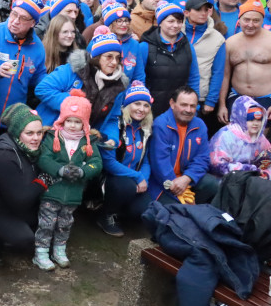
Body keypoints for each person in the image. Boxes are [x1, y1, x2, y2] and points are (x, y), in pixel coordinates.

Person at [0, 103, 47, 266]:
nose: (36, 138)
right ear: (17, 133)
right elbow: (20, 199)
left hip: (12, 207)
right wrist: (42, 182)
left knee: (50, 220)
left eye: (39, 133)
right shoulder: (4, 157)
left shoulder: (31, 150)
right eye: (29, 133)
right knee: (24, 239)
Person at [33, 91, 102, 270]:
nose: (72, 125)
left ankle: (59, 250)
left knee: (65, 223)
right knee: (47, 223)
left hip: (73, 193)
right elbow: (43, 159)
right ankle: (40, 252)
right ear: (62, 120)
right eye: (69, 120)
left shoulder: (89, 141)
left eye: (77, 121)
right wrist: (59, 169)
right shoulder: (52, 137)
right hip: (51, 191)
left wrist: (82, 171)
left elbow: (97, 163)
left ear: (84, 123)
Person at [0, 0, 46, 139]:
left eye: (23, 18)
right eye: (14, 14)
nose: (16, 21)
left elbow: (39, 78)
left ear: (32, 23)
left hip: (13, 125)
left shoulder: (38, 47)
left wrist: (54, 84)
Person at [99, 82, 155, 236]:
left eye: (146, 105)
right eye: (136, 103)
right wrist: (137, 177)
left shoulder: (146, 129)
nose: (141, 109)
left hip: (132, 179)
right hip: (111, 178)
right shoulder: (115, 125)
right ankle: (105, 215)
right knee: (125, 187)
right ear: (127, 104)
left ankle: (119, 211)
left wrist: (143, 179)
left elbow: (146, 161)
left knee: (145, 209)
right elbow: (108, 163)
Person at [149, 87, 219, 205]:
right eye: (184, 105)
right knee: (177, 211)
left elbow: (203, 158)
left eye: (192, 106)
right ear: (172, 103)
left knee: (212, 184)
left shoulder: (199, 124)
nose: (188, 110)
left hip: (186, 178)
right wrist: (179, 189)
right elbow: (160, 164)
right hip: (162, 183)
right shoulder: (161, 125)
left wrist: (187, 178)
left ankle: (194, 208)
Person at [142, 2, 200, 117]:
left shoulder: (188, 47)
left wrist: (194, 105)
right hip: (152, 108)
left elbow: (194, 78)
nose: (175, 25)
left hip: (180, 108)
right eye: (171, 21)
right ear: (160, 23)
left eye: (179, 22)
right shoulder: (145, 47)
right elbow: (140, 79)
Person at [218, 0, 271, 121]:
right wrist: (222, 105)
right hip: (237, 96)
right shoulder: (230, 43)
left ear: (262, 20)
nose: (250, 25)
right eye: (246, 20)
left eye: (256, 20)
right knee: (237, 138)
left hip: (266, 98)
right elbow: (225, 76)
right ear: (239, 19)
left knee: (260, 138)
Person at [183, 0, 226, 124]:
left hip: (201, 97)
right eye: (198, 10)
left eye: (206, 10)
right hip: (176, 93)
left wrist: (211, 100)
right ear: (186, 13)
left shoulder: (218, 38)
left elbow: (218, 72)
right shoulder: (176, 31)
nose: (203, 13)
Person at [209, 96, 271, 178]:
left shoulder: (261, 139)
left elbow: (267, 163)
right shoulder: (225, 135)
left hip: (252, 181)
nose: (255, 123)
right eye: (251, 119)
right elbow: (217, 165)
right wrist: (250, 170)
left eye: (259, 120)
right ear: (241, 117)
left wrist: (266, 175)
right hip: (225, 181)